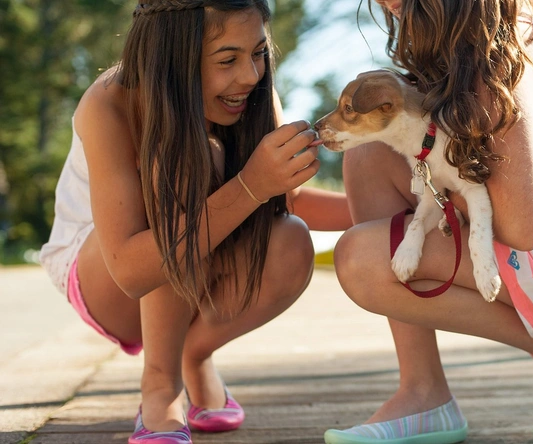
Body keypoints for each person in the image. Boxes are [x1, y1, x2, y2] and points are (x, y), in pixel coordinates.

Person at [325, 0, 533, 443]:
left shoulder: (502, 60)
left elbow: (522, 228)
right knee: (369, 151)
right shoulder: (469, 43)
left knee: (363, 261)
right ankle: (423, 391)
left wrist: (439, 200)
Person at [38, 1, 351, 443]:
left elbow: (289, 201)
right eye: (227, 60)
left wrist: (402, 206)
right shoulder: (111, 100)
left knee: (290, 240)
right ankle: (160, 384)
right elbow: (129, 270)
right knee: (184, 157)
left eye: (258, 53)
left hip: (188, 265)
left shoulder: (250, 95)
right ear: (173, 54)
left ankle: (194, 354)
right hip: (105, 279)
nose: (250, 75)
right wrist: (251, 184)